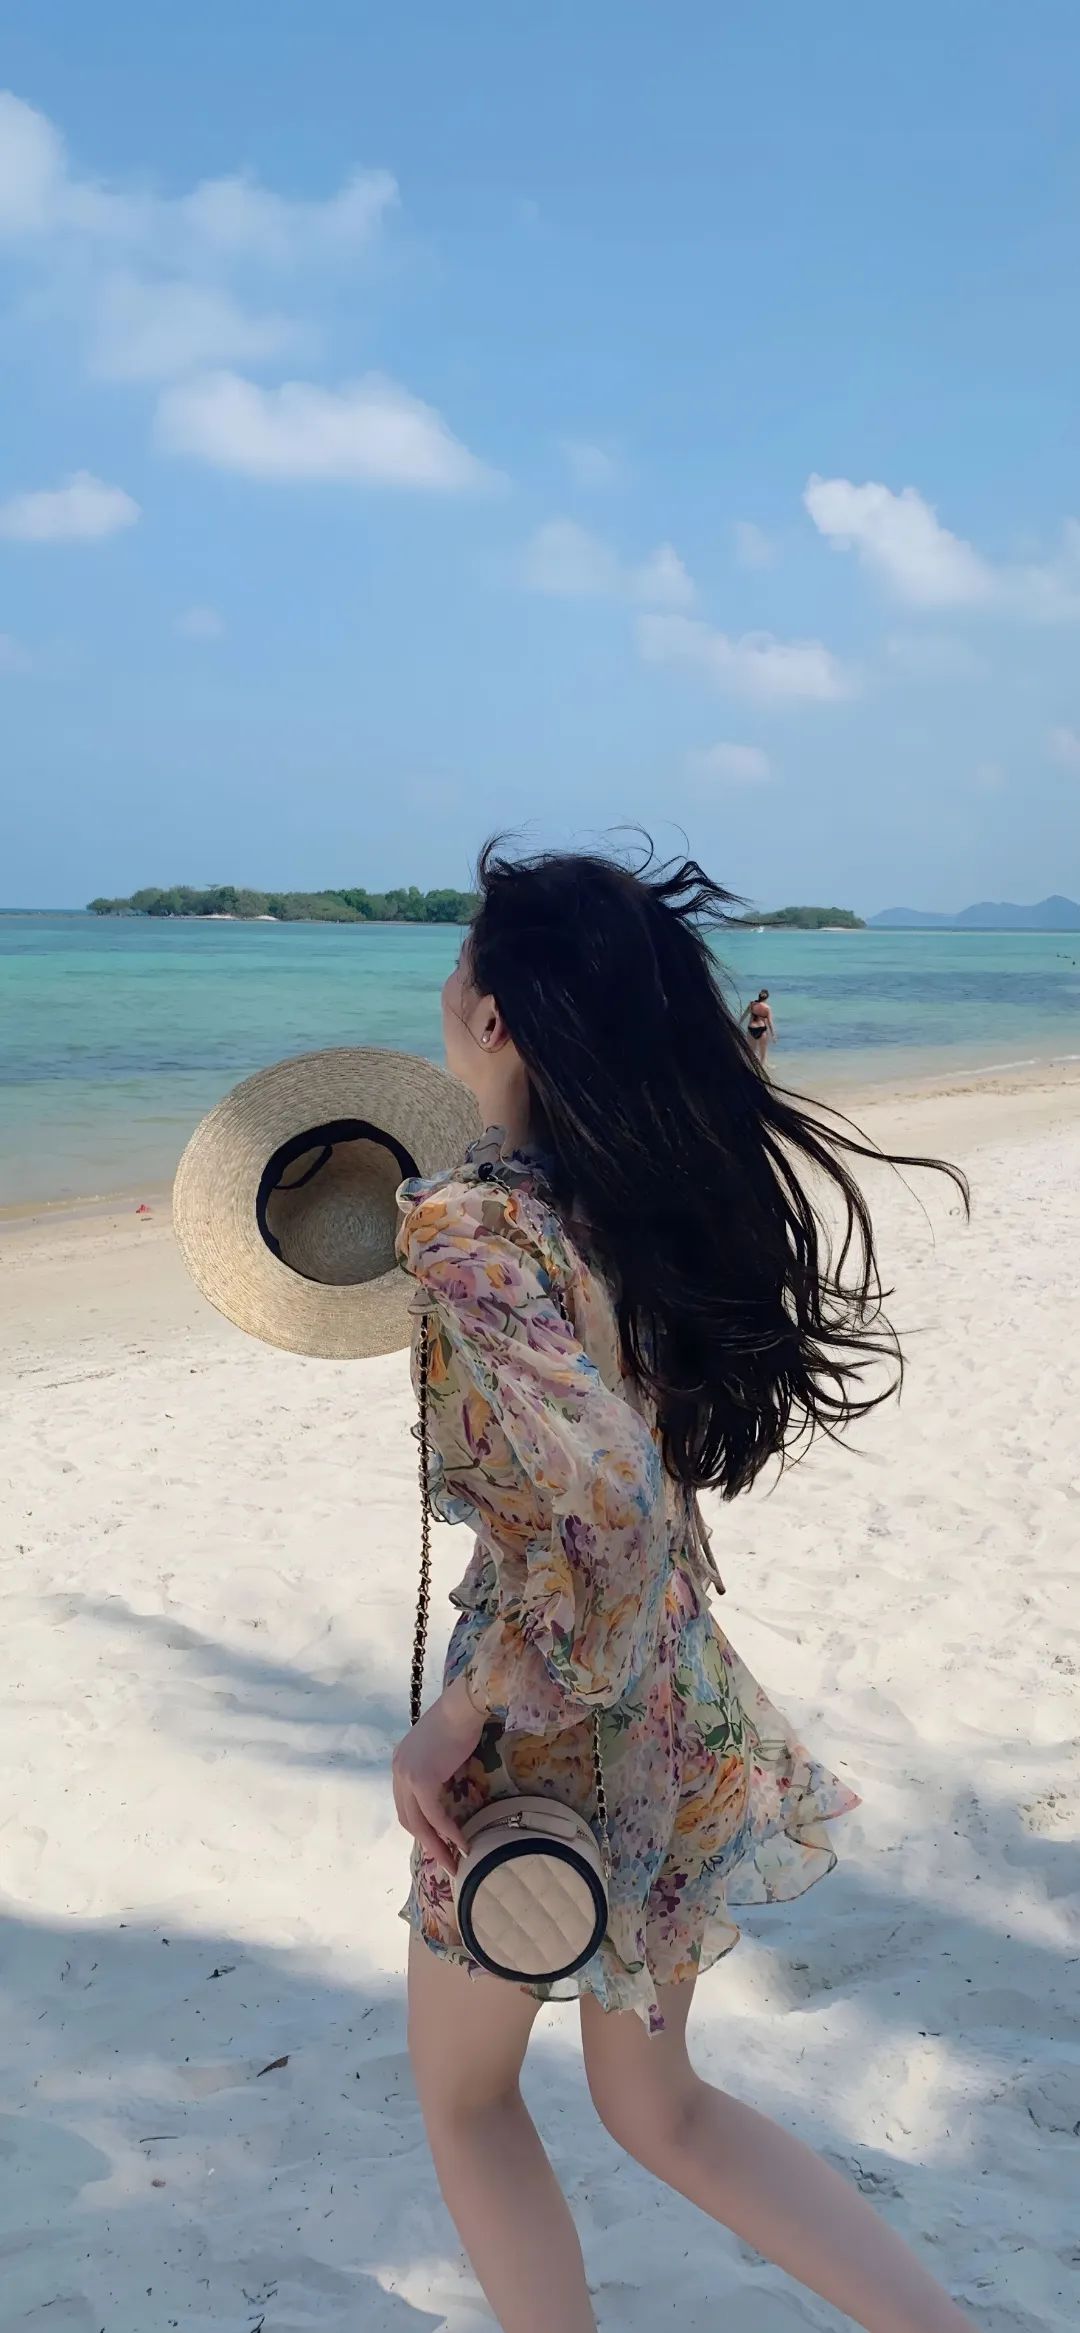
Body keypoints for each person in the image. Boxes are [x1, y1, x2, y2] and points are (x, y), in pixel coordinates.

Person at [392, 843, 972, 2333]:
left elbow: (607, 1508)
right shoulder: (644, 1191)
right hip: (672, 1688)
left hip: (547, 1711)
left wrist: (457, 1715)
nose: (445, 992)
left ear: (496, 1018)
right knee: (662, 2106)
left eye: (457, 968)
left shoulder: (468, 1225)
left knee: (465, 2099)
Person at [742, 985, 775, 1064]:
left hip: (751, 1029)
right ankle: (761, 1067)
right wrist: (773, 1035)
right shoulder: (767, 1008)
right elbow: (770, 1022)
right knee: (762, 1053)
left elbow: (744, 1015)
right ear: (766, 998)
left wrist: (738, 1023)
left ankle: (751, 1066)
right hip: (762, 1030)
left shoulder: (752, 1004)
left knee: (751, 1052)